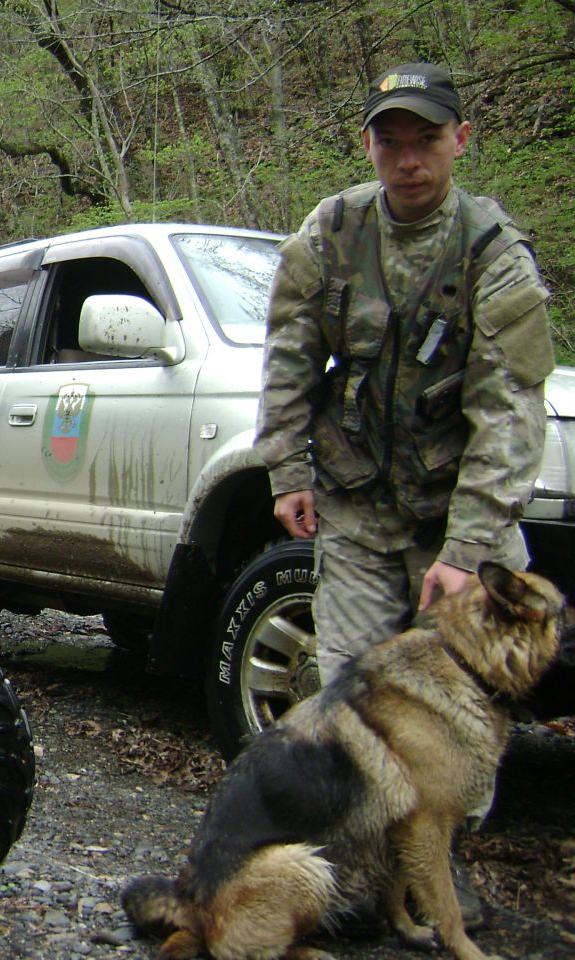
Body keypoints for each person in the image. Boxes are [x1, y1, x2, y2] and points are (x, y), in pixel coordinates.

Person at [255, 62, 555, 927]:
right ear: (369, 147)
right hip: (355, 506)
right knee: (353, 700)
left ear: (460, 140)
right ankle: (363, 880)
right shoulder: (332, 230)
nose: (409, 157)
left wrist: (468, 553)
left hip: (461, 518)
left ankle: (438, 877)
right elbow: (287, 356)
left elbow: (510, 410)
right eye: (392, 140)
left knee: (467, 710)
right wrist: (287, 471)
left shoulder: (495, 253)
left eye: (427, 138)